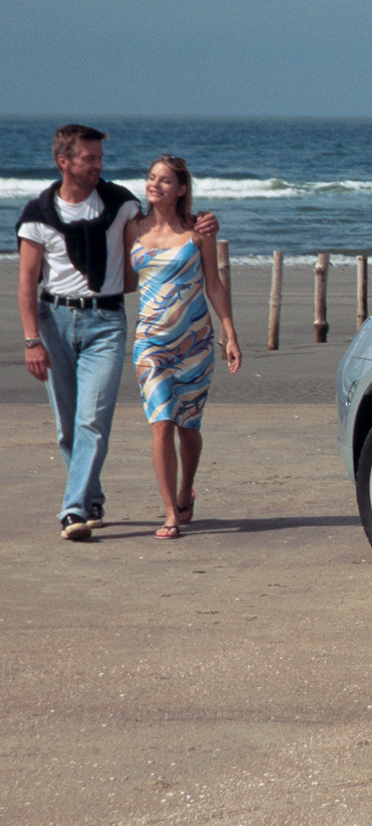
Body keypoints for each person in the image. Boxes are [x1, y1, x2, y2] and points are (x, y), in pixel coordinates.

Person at [16, 126, 219, 540]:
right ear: (64, 162)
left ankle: (73, 510)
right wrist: (32, 339)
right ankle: (91, 498)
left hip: (106, 322)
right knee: (67, 426)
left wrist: (203, 220)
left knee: (92, 419)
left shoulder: (121, 203)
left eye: (100, 157)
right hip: (54, 321)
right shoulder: (38, 214)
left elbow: (165, 222)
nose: (99, 165)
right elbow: (25, 281)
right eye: (89, 158)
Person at [125, 156, 241, 539]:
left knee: (188, 428)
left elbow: (214, 285)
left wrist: (230, 334)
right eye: (151, 177)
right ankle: (170, 512)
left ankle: (185, 490)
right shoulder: (132, 228)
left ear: (181, 189)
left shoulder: (199, 231)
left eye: (164, 180)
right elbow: (124, 280)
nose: (154, 184)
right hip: (150, 344)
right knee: (161, 425)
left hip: (195, 346)